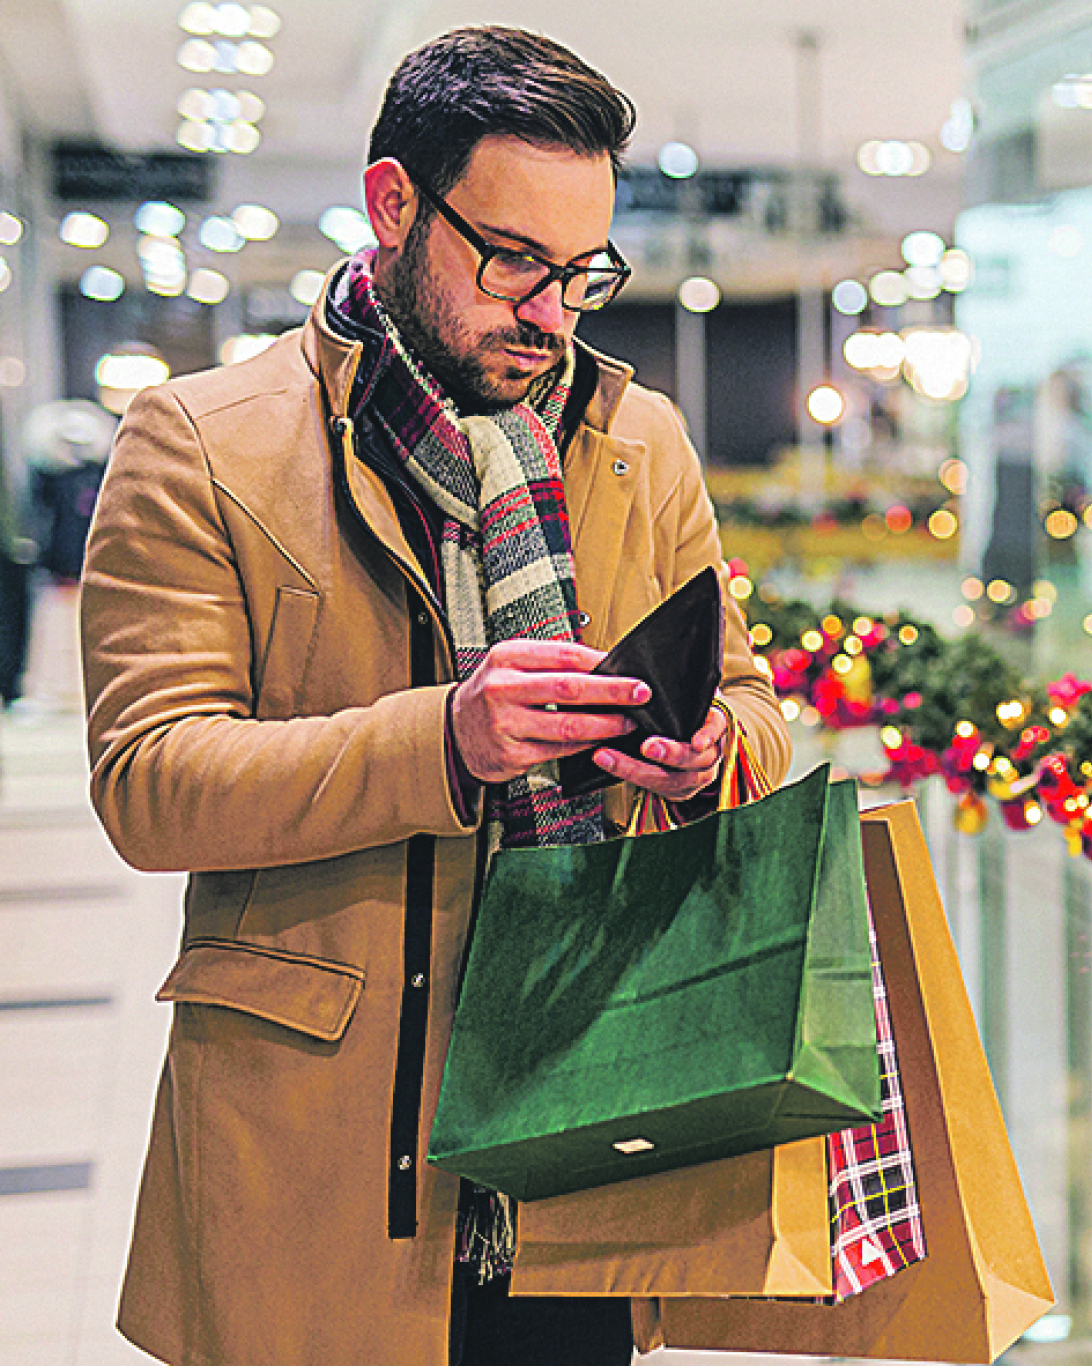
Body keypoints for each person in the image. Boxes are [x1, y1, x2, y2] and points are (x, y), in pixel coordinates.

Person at [79, 26, 790, 1366]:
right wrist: (448, 742)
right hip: (320, 1155)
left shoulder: (636, 443)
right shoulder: (205, 445)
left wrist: (709, 752)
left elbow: (752, 703)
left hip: (582, 1127)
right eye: (512, 259)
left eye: (582, 272)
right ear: (394, 204)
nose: (552, 313)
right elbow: (150, 781)